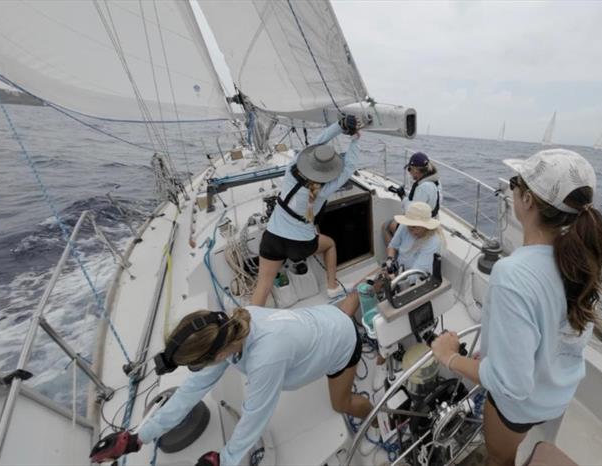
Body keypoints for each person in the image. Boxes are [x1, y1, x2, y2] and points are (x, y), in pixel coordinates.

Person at [429, 149, 602, 466]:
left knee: (498, 458)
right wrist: (497, 358)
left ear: (527, 201)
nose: (511, 189)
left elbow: (511, 384)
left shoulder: (512, 275)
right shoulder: (582, 260)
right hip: (558, 394)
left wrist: (449, 356)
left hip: (518, 409)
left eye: (514, 183)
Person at [90, 292, 372, 466]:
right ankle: (355, 298)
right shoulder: (228, 328)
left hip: (342, 345)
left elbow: (255, 417)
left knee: (341, 404)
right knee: (338, 317)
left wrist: (223, 460)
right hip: (320, 318)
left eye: (199, 365)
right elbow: (191, 391)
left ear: (219, 353)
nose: (199, 372)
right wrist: (140, 437)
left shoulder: (267, 356)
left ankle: (379, 410)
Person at [252, 116, 361, 306]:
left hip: (272, 239)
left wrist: (339, 126)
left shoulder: (291, 168)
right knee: (330, 244)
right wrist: (355, 140)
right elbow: (349, 167)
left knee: (263, 286)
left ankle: (250, 326)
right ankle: (332, 286)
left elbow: (318, 141)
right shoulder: (323, 190)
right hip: (300, 246)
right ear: (328, 171)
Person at [382, 151, 442, 246]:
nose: (409, 172)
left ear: (416, 170)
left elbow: (413, 211)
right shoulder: (435, 181)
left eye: (409, 169)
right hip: (430, 220)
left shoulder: (423, 187)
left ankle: (394, 256)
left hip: (420, 226)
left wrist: (402, 197)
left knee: (386, 226)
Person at [383, 202, 442, 277]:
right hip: (399, 269)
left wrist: (394, 278)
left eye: (415, 227)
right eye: (409, 226)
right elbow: (393, 246)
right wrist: (390, 259)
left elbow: (417, 273)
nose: (411, 230)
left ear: (425, 226)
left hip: (416, 278)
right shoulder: (405, 226)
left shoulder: (433, 242)